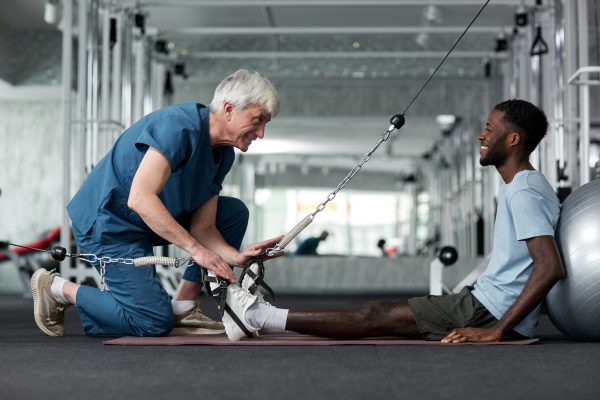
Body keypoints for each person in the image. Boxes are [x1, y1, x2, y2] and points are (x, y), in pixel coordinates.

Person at [223, 99, 565, 343]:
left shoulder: (522, 192)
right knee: (381, 316)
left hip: (488, 310)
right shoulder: (530, 186)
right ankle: (262, 316)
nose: (481, 135)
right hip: (486, 301)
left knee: (374, 315)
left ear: (513, 140)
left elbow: (549, 267)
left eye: (490, 129)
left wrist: (498, 329)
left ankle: (259, 315)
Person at [30, 69, 283, 337]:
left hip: (142, 223)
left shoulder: (223, 156)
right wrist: (196, 250)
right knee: (153, 322)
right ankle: (57, 288)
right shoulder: (178, 126)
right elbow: (140, 198)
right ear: (229, 109)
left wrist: (237, 256)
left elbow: (204, 228)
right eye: (258, 120)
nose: (261, 132)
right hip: (108, 224)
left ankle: (183, 306)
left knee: (233, 212)